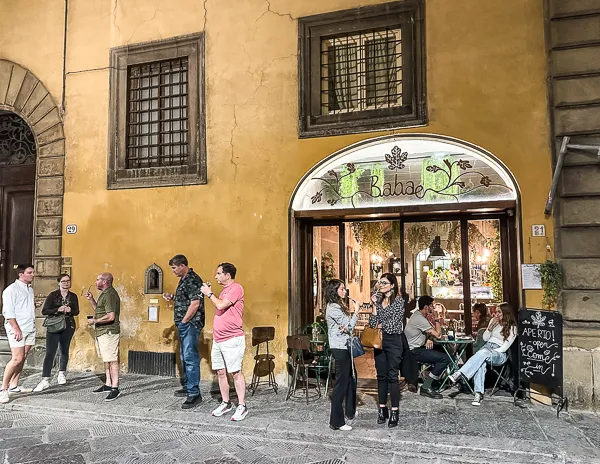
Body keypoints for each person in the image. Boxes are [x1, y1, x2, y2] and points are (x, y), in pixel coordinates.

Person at [201, 262, 248, 421]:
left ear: (227, 275)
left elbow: (221, 305)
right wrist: (211, 293)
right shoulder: (223, 291)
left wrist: (209, 293)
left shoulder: (236, 288)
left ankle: (242, 406)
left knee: (235, 373)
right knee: (220, 372)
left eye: (219, 273)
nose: (216, 276)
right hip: (219, 339)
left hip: (232, 338)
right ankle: (226, 402)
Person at [448, 302, 517, 406]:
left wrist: (489, 352)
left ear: (506, 313)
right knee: (480, 363)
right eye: (496, 312)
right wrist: (490, 328)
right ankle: (478, 394)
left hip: (499, 353)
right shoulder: (494, 322)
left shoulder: (512, 328)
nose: (496, 314)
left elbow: (504, 348)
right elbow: (485, 338)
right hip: (487, 347)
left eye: (499, 312)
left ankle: (460, 373)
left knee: (483, 353)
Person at [163, 254, 204, 409]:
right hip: (184, 324)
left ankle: (194, 394)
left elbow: (195, 303)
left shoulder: (193, 279)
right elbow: (186, 299)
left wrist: (184, 321)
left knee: (190, 357)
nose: (173, 271)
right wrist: (173, 297)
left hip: (190, 324)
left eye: (174, 268)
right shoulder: (184, 280)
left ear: (182, 265)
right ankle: (188, 386)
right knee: (184, 356)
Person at [368, 272, 405, 428]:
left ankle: (395, 410)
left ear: (392, 285)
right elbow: (372, 323)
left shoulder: (399, 301)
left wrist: (381, 325)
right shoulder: (378, 300)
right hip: (379, 341)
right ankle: (382, 408)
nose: (380, 285)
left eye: (383, 283)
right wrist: (374, 305)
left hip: (394, 341)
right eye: (379, 283)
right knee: (381, 375)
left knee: (392, 376)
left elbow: (394, 324)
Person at [33, 274, 80, 392]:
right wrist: (57, 309)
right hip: (54, 326)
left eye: (68, 281)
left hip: (68, 325)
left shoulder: (73, 296)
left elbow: (77, 311)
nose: (66, 283)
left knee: (64, 350)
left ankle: (61, 373)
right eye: (63, 281)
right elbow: (45, 311)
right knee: (50, 352)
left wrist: (71, 310)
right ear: (59, 282)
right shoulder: (53, 295)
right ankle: (45, 379)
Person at [324, 279, 360, 431]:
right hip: (339, 348)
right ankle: (336, 421)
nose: (345, 291)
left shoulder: (337, 306)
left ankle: (350, 411)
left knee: (352, 378)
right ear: (335, 291)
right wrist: (357, 310)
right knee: (341, 383)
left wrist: (345, 326)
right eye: (342, 289)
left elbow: (346, 326)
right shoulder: (333, 308)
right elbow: (350, 325)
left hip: (344, 346)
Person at [0, 264, 36, 403]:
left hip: (29, 327)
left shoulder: (30, 289)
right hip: (17, 328)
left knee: (24, 356)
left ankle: (14, 385)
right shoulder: (11, 290)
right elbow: (8, 312)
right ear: (21, 274)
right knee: (16, 358)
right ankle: (3, 388)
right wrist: (16, 328)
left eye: (33, 272)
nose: (33, 274)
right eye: (30, 272)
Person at [404, 295, 448, 399]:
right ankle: (426, 386)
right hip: (414, 352)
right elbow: (438, 335)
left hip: (417, 348)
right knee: (444, 358)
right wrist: (437, 318)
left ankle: (434, 381)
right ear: (426, 307)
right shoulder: (420, 319)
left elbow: (431, 333)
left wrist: (429, 338)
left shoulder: (418, 315)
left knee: (442, 351)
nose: (433, 308)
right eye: (432, 306)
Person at [86, 273, 121, 402]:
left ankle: (115, 388)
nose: (95, 282)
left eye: (98, 279)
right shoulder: (105, 294)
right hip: (103, 332)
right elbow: (99, 310)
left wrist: (95, 321)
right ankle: (108, 384)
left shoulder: (110, 295)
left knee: (112, 359)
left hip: (109, 332)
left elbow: (110, 316)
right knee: (107, 359)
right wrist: (91, 300)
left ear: (105, 281)